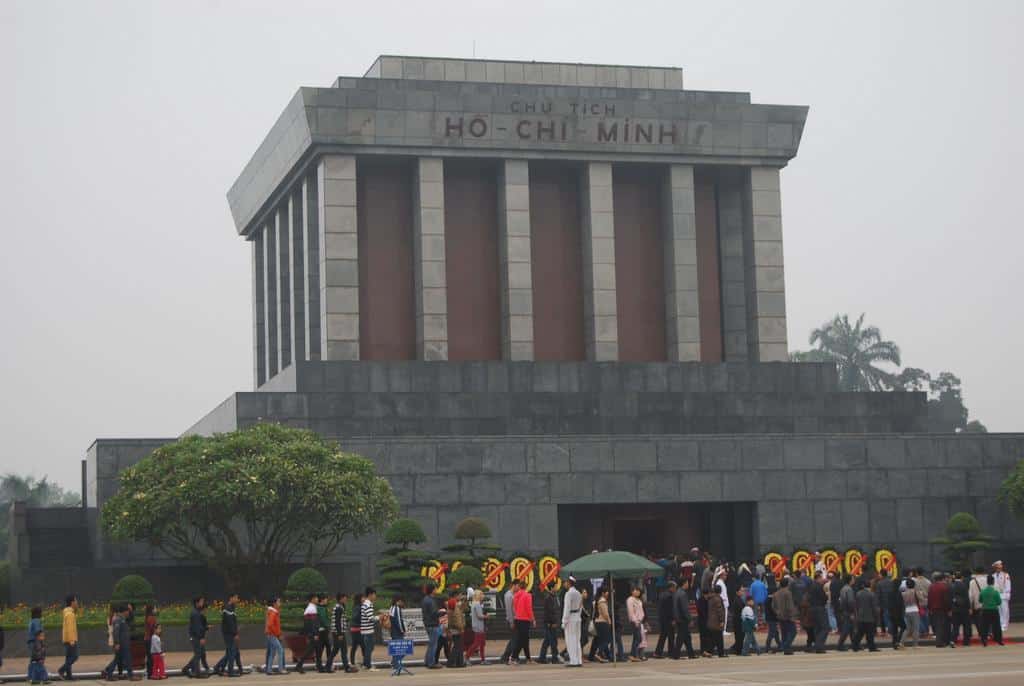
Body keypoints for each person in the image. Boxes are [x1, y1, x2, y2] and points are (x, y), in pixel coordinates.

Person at [213, 592, 241, 677]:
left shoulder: (231, 608)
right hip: (229, 634)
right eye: (236, 598)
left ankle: (218, 667)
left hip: (229, 633)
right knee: (231, 652)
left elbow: (233, 622)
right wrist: (235, 633)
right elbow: (230, 623)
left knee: (230, 652)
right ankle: (230, 671)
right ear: (231, 598)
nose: (237, 599)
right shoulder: (227, 608)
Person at [329, 592, 356, 673]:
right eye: (345, 598)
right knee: (343, 650)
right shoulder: (338, 608)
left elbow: (339, 620)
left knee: (336, 650)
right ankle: (346, 668)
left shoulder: (340, 607)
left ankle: (328, 666)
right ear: (341, 599)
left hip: (337, 632)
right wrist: (340, 634)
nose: (346, 599)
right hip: (338, 632)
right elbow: (337, 622)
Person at [295, 594, 321, 673]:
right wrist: (315, 634)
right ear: (312, 599)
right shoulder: (312, 609)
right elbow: (313, 623)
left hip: (311, 632)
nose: (317, 599)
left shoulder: (310, 608)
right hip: (313, 633)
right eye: (316, 598)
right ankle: (299, 665)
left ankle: (319, 667)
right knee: (310, 650)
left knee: (318, 649)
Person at [182, 597, 208, 679]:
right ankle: (197, 673)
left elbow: (199, 626)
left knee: (199, 654)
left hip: (196, 636)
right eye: (201, 602)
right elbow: (197, 628)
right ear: (197, 603)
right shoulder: (195, 613)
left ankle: (186, 668)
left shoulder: (197, 612)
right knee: (198, 655)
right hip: (196, 637)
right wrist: (201, 637)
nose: (203, 603)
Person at [511, 579, 535, 664]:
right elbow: (529, 608)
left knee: (522, 639)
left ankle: (527, 658)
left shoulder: (515, 596)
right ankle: (514, 657)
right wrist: (533, 619)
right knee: (523, 640)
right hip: (525, 620)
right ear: (526, 586)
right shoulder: (528, 595)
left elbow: (514, 608)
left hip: (517, 619)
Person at [561, 576, 583, 667]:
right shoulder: (578, 593)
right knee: (577, 640)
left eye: (565, 582)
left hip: (570, 618)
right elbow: (581, 606)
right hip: (577, 617)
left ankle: (573, 661)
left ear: (569, 583)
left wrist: (564, 621)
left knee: (570, 640)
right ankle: (578, 660)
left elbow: (567, 608)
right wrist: (578, 615)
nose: (564, 584)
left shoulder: (568, 594)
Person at [773, 577, 798, 655]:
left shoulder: (776, 593)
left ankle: (787, 649)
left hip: (780, 616)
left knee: (784, 633)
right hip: (787, 616)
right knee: (793, 632)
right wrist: (792, 616)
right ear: (787, 584)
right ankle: (785, 646)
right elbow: (789, 606)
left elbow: (773, 606)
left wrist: (777, 612)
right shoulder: (788, 593)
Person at [852, 583, 879, 653]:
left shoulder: (858, 593)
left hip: (861, 616)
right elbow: (874, 607)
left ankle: (855, 646)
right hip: (870, 617)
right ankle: (871, 647)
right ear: (870, 586)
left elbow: (856, 605)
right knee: (870, 633)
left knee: (860, 633)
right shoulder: (872, 594)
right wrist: (876, 615)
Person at [672, 577, 695, 659]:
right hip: (682, 619)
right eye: (687, 582)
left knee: (687, 637)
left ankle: (691, 654)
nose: (688, 584)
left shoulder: (677, 592)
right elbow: (685, 608)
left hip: (678, 618)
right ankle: (675, 654)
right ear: (684, 583)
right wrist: (690, 619)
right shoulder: (683, 594)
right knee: (681, 638)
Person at [538, 582, 561, 663]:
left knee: (547, 641)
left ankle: (541, 658)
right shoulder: (548, 598)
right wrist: (552, 622)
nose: (556, 588)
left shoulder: (554, 597)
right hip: (550, 623)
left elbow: (555, 610)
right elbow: (548, 611)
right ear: (551, 588)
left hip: (552, 622)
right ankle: (554, 658)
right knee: (553, 641)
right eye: (555, 586)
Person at [587, 587, 612, 663]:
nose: (608, 593)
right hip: (602, 622)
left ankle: (592, 657)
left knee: (597, 640)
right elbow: (605, 614)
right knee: (607, 639)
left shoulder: (595, 601)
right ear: (603, 593)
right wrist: (609, 621)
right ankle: (598, 653)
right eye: (607, 591)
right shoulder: (602, 601)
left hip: (596, 622)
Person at [979, 575, 1004, 646]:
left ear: (987, 582)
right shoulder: (995, 592)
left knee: (984, 626)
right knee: (996, 626)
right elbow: (999, 602)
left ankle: (984, 640)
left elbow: (980, 600)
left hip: (985, 610)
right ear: (993, 582)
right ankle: (999, 640)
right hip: (994, 610)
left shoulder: (983, 591)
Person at [928, 573, 951, 648]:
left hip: (934, 609)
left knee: (937, 625)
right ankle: (940, 642)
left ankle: (939, 641)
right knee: (942, 625)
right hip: (942, 609)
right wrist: (949, 609)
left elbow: (929, 599)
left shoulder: (931, 587)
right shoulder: (945, 587)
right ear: (942, 579)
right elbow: (946, 600)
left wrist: (929, 608)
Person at [59, 594, 79, 682]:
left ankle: (69, 676)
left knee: (69, 658)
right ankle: (61, 670)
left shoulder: (67, 612)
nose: (77, 602)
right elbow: (70, 628)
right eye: (76, 600)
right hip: (70, 639)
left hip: (66, 639)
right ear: (72, 602)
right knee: (75, 656)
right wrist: (72, 640)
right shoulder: (70, 614)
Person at [422, 584, 442, 669]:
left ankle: (427, 661)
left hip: (428, 624)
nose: (436, 590)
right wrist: (442, 612)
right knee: (433, 645)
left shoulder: (425, 599)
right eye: (435, 588)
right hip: (433, 624)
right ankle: (431, 663)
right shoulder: (431, 600)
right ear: (432, 590)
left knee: (431, 644)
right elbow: (434, 613)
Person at [949, 571, 972, 647]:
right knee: (966, 625)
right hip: (964, 608)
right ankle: (966, 641)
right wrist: (969, 607)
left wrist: (950, 608)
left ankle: (953, 640)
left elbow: (950, 598)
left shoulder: (951, 586)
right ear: (962, 577)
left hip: (955, 609)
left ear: (954, 577)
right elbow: (967, 597)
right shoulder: (964, 585)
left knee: (955, 626)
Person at [263, 596, 284, 676]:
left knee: (272, 652)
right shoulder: (273, 612)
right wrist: (278, 634)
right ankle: (280, 669)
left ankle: (269, 669)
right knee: (280, 651)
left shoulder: (272, 611)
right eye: (278, 602)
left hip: (271, 634)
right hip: (272, 634)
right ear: (274, 603)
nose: (280, 603)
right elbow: (271, 625)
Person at [808, 573, 829, 654]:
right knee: (825, 627)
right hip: (819, 608)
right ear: (818, 578)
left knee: (817, 628)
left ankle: (817, 646)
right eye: (821, 578)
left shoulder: (811, 586)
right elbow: (824, 598)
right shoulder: (819, 586)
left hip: (812, 608)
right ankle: (819, 645)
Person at [466, 589, 488, 664]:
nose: (483, 596)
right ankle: (467, 657)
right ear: (478, 595)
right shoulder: (477, 604)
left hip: (476, 625)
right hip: (479, 626)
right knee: (477, 643)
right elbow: (480, 616)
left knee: (481, 643)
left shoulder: (474, 603)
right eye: (481, 594)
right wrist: (486, 616)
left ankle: (483, 659)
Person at [447, 592, 467, 668]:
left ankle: (459, 662)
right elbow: (456, 618)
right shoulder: (454, 604)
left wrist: (464, 600)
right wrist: (461, 628)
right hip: (457, 628)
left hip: (454, 627)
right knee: (457, 646)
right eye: (460, 595)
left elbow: (464, 608)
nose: (460, 596)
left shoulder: (454, 604)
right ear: (456, 595)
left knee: (459, 646)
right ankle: (451, 662)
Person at [388, 595, 408, 673]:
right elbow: (399, 621)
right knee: (402, 650)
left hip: (393, 631)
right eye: (402, 601)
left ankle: (394, 663)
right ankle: (396, 666)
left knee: (396, 649)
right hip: (397, 632)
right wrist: (403, 630)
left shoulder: (391, 608)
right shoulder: (397, 608)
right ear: (398, 601)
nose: (403, 603)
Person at [360, 587, 378, 670]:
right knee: (369, 648)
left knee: (369, 648)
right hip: (368, 631)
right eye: (374, 595)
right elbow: (371, 618)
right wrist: (380, 617)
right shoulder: (368, 604)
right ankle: (368, 665)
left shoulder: (366, 604)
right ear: (370, 595)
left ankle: (365, 664)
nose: (375, 596)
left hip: (366, 630)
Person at [706, 584, 726, 658]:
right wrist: (721, 621)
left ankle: (718, 652)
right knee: (718, 638)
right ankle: (710, 651)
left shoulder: (710, 598)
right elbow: (719, 610)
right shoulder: (717, 599)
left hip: (711, 621)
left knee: (716, 638)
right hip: (716, 622)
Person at [626, 586, 645, 662]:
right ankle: (632, 655)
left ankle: (633, 654)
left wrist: (641, 618)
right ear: (632, 591)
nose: (637, 592)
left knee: (637, 638)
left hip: (640, 621)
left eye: (638, 591)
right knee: (638, 638)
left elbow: (641, 611)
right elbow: (631, 612)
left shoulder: (639, 600)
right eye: (635, 590)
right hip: (634, 621)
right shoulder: (630, 600)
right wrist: (635, 621)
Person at [992, 561, 1011, 633]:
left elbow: (1008, 585)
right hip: (996, 596)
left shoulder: (1005, 575)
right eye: (997, 568)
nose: (998, 569)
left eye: (999, 568)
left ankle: (1004, 625)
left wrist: (1007, 595)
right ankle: (1000, 624)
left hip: (1003, 595)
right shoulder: (993, 576)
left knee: (1005, 611)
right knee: (999, 611)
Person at [875, 570, 896, 636]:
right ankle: (891, 630)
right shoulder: (891, 582)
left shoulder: (879, 583)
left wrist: (877, 605)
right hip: (892, 603)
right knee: (891, 617)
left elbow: (878, 595)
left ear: (881, 575)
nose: (879, 575)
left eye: (879, 574)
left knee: (886, 618)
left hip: (883, 603)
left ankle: (888, 631)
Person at [888, 578, 906, 649]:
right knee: (904, 627)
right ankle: (897, 641)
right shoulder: (898, 593)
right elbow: (900, 604)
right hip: (898, 614)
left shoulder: (890, 592)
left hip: (892, 613)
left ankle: (894, 643)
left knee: (894, 629)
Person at [902, 579, 920, 648]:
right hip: (914, 610)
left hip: (906, 611)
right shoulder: (915, 592)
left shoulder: (903, 593)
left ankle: (901, 643)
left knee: (907, 628)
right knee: (916, 628)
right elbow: (920, 599)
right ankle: (915, 644)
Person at [349, 593, 364, 668]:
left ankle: (352, 662)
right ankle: (365, 662)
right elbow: (356, 617)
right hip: (357, 629)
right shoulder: (359, 607)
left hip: (354, 629)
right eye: (362, 598)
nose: (363, 599)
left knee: (354, 646)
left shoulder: (355, 606)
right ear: (359, 599)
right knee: (363, 646)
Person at [764, 586, 780, 654]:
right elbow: (773, 610)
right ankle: (767, 647)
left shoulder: (767, 599)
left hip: (769, 618)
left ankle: (780, 645)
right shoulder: (771, 600)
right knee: (771, 633)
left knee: (775, 632)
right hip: (772, 619)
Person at [143, 605, 157, 679]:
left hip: (147, 639)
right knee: (151, 657)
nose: (156, 609)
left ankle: (149, 673)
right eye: (155, 608)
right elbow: (153, 629)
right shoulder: (151, 618)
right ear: (152, 610)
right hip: (150, 639)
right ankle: (151, 673)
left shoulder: (147, 617)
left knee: (149, 657)